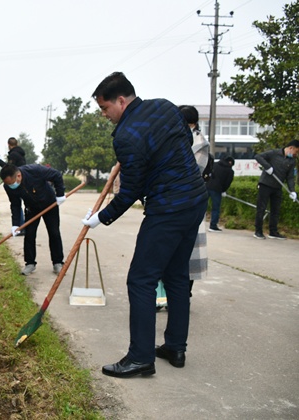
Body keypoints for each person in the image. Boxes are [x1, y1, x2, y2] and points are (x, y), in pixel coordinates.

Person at [82, 72, 208, 378]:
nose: (104, 115)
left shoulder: (126, 136)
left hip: (168, 209)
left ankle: (140, 358)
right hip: (195, 200)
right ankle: (175, 347)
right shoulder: (165, 106)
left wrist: (101, 217)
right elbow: (184, 141)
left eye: (105, 108)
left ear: (121, 101)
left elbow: (130, 191)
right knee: (177, 276)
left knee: (141, 279)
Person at [0, 163, 66, 275]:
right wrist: (15, 224)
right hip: (31, 208)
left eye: (11, 183)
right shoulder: (8, 186)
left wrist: (60, 194)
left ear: (18, 176)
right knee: (29, 234)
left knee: (54, 233)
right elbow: (15, 204)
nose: (10, 186)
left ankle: (58, 262)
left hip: (50, 205)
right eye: (8, 184)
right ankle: (30, 264)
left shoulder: (35, 170)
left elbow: (56, 175)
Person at [178, 105, 210, 296]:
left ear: (191, 124)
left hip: (191, 201)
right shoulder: (175, 139)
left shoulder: (200, 144)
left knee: (190, 251)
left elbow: (193, 171)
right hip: (173, 202)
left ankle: (185, 293)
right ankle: (168, 294)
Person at [253, 139, 299, 240]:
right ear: (291, 148)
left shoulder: (292, 161)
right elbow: (258, 156)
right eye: (296, 151)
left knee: (276, 210)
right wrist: (267, 167)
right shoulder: (274, 153)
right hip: (265, 184)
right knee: (261, 208)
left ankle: (273, 232)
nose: (296, 154)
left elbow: (290, 177)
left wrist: (292, 190)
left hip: (278, 187)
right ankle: (258, 231)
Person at [206, 156, 235, 232]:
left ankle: (195, 224)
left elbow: (206, 173)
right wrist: (223, 191)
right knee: (215, 208)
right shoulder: (230, 171)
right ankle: (213, 226)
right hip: (217, 190)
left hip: (206, 187)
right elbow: (227, 183)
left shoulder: (214, 164)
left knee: (201, 206)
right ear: (230, 162)